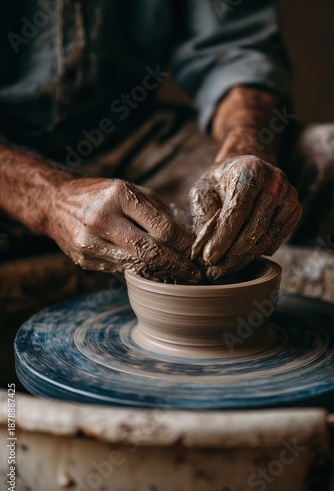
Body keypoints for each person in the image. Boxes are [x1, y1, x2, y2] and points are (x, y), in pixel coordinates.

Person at [0, 0, 331, 284]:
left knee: (322, 156)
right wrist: (50, 198)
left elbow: (234, 50)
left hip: (132, 135)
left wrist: (245, 149)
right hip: (9, 163)